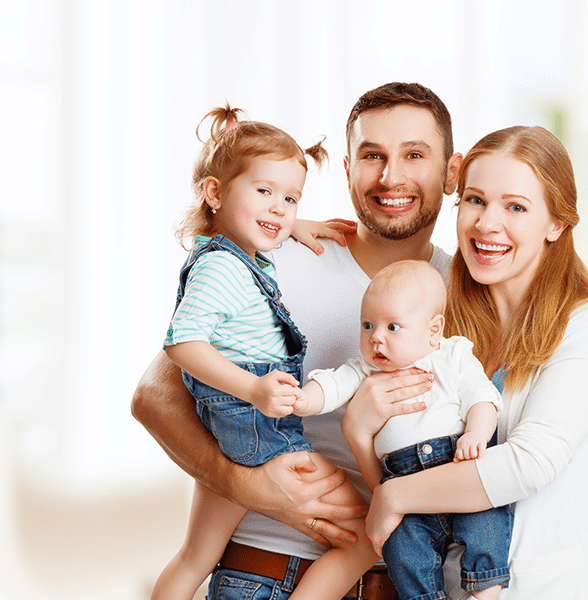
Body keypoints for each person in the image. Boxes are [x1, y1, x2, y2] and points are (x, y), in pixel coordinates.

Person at [132, 82, 462, 600]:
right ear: (349, 169)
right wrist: (242, 483)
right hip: (265, 569)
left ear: (452, 171)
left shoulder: (466, 290)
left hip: (409, 581)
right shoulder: (269, 258)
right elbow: (153, 396)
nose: (390, 176)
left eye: (414, 155)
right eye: (372, 156)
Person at [346, 126, 588, 599]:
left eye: (516, 207)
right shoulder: (440, 335)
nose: (486, 224)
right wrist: (360, 437)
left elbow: (528, 463)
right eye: (476, 200)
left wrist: (393, 494)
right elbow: (405, 476)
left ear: (556, 224)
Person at [151, 104, 379, 600]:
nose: (279, 208)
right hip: (255, 431)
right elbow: (181, 342)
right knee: (366, 536)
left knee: (194, 558)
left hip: (234, 427)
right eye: (265, 192)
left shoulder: (231, 255)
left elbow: (254, 224)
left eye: (290, 198)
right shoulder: (223, 269)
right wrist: (252, 387)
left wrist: (287, 221)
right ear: (215, 192)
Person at [294, 259, 511, 600]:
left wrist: (476, 434)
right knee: (402, 546)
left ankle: (486, 584)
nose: (376, 338)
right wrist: (303, 400)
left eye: (392, 327)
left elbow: (483, 398)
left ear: (433, 330)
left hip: (455, 464)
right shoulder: (365, 369)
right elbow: (333, 385)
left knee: (485, 517)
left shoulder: (453, 356)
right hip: (401, 479)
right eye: (367, 325)